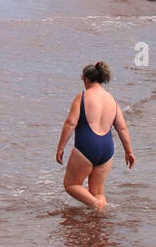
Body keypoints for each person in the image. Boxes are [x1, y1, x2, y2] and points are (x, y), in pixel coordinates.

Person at [56, 61, 134, 210]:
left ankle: (96, 206)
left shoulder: (82, 96)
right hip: (107, 150)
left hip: (87, 146)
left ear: (86, 79)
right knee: (97, 191)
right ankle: (99, 219)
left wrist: (61, 147)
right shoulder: (112, 100)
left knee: (71, 184)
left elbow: (70, 123)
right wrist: (129, 151)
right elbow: (122, 128)